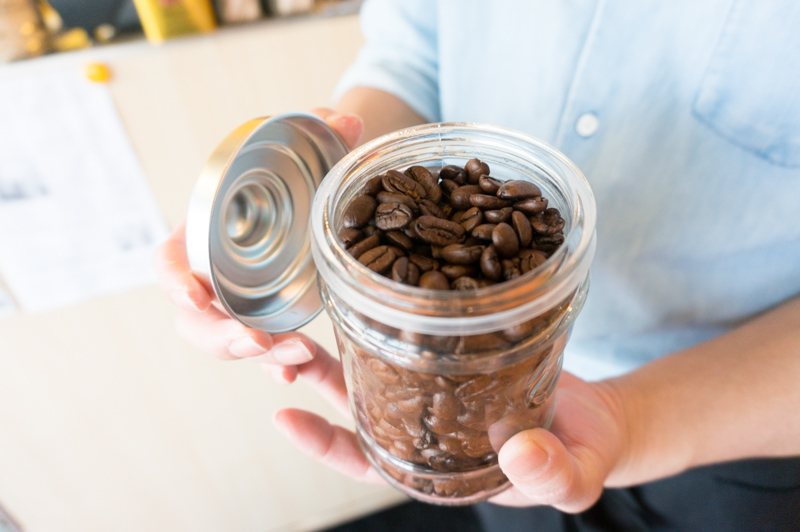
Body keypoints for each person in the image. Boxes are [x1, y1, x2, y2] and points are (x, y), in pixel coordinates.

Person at [154, 1, 800, 530]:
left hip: (740, 423)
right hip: (485, 440)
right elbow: (409, 61)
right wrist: (310, 202)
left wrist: (631, 419)